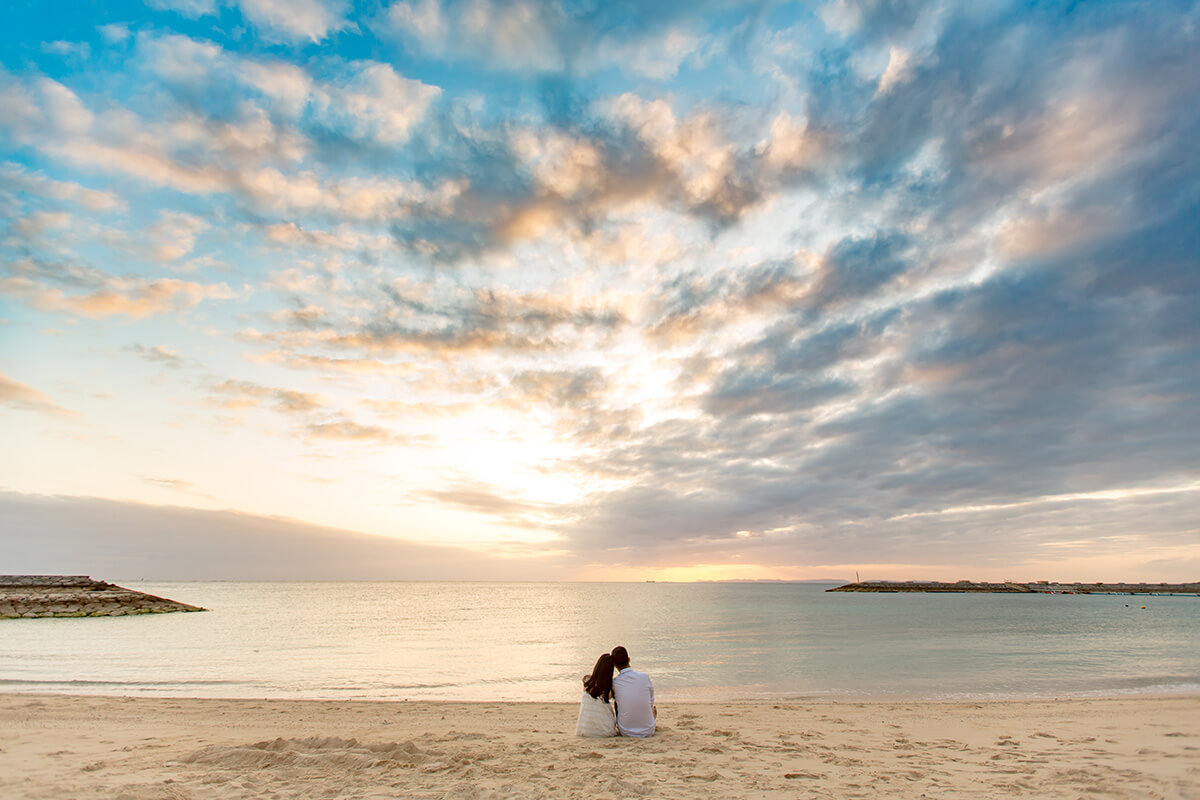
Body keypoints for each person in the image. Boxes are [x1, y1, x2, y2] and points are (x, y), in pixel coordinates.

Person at [610, 645, 656, 737]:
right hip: (648, 730)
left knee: (617, 702)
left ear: (614, 665)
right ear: (629, 659)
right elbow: (651, 701)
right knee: (652, 708)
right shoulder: (644, 677)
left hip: (625, 731)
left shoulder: (615, 683)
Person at [574, 652, 617, 737]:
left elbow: (588, 678)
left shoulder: (587, 683)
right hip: (604, 731)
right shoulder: (609, 690)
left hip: (582, 730)